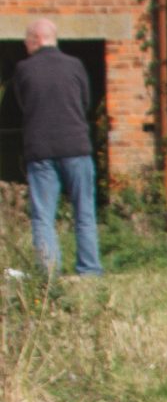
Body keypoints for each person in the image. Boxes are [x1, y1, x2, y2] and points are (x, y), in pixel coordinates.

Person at [15, 20, 102, 279]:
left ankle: (49, 272)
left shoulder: (23, 69)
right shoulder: (74, 65)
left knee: (43, 216)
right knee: (84, 211)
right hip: (76, 146)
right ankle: (89, 269)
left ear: (34, 40)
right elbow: (85, 101)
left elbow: (22, 104)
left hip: (40, 150)